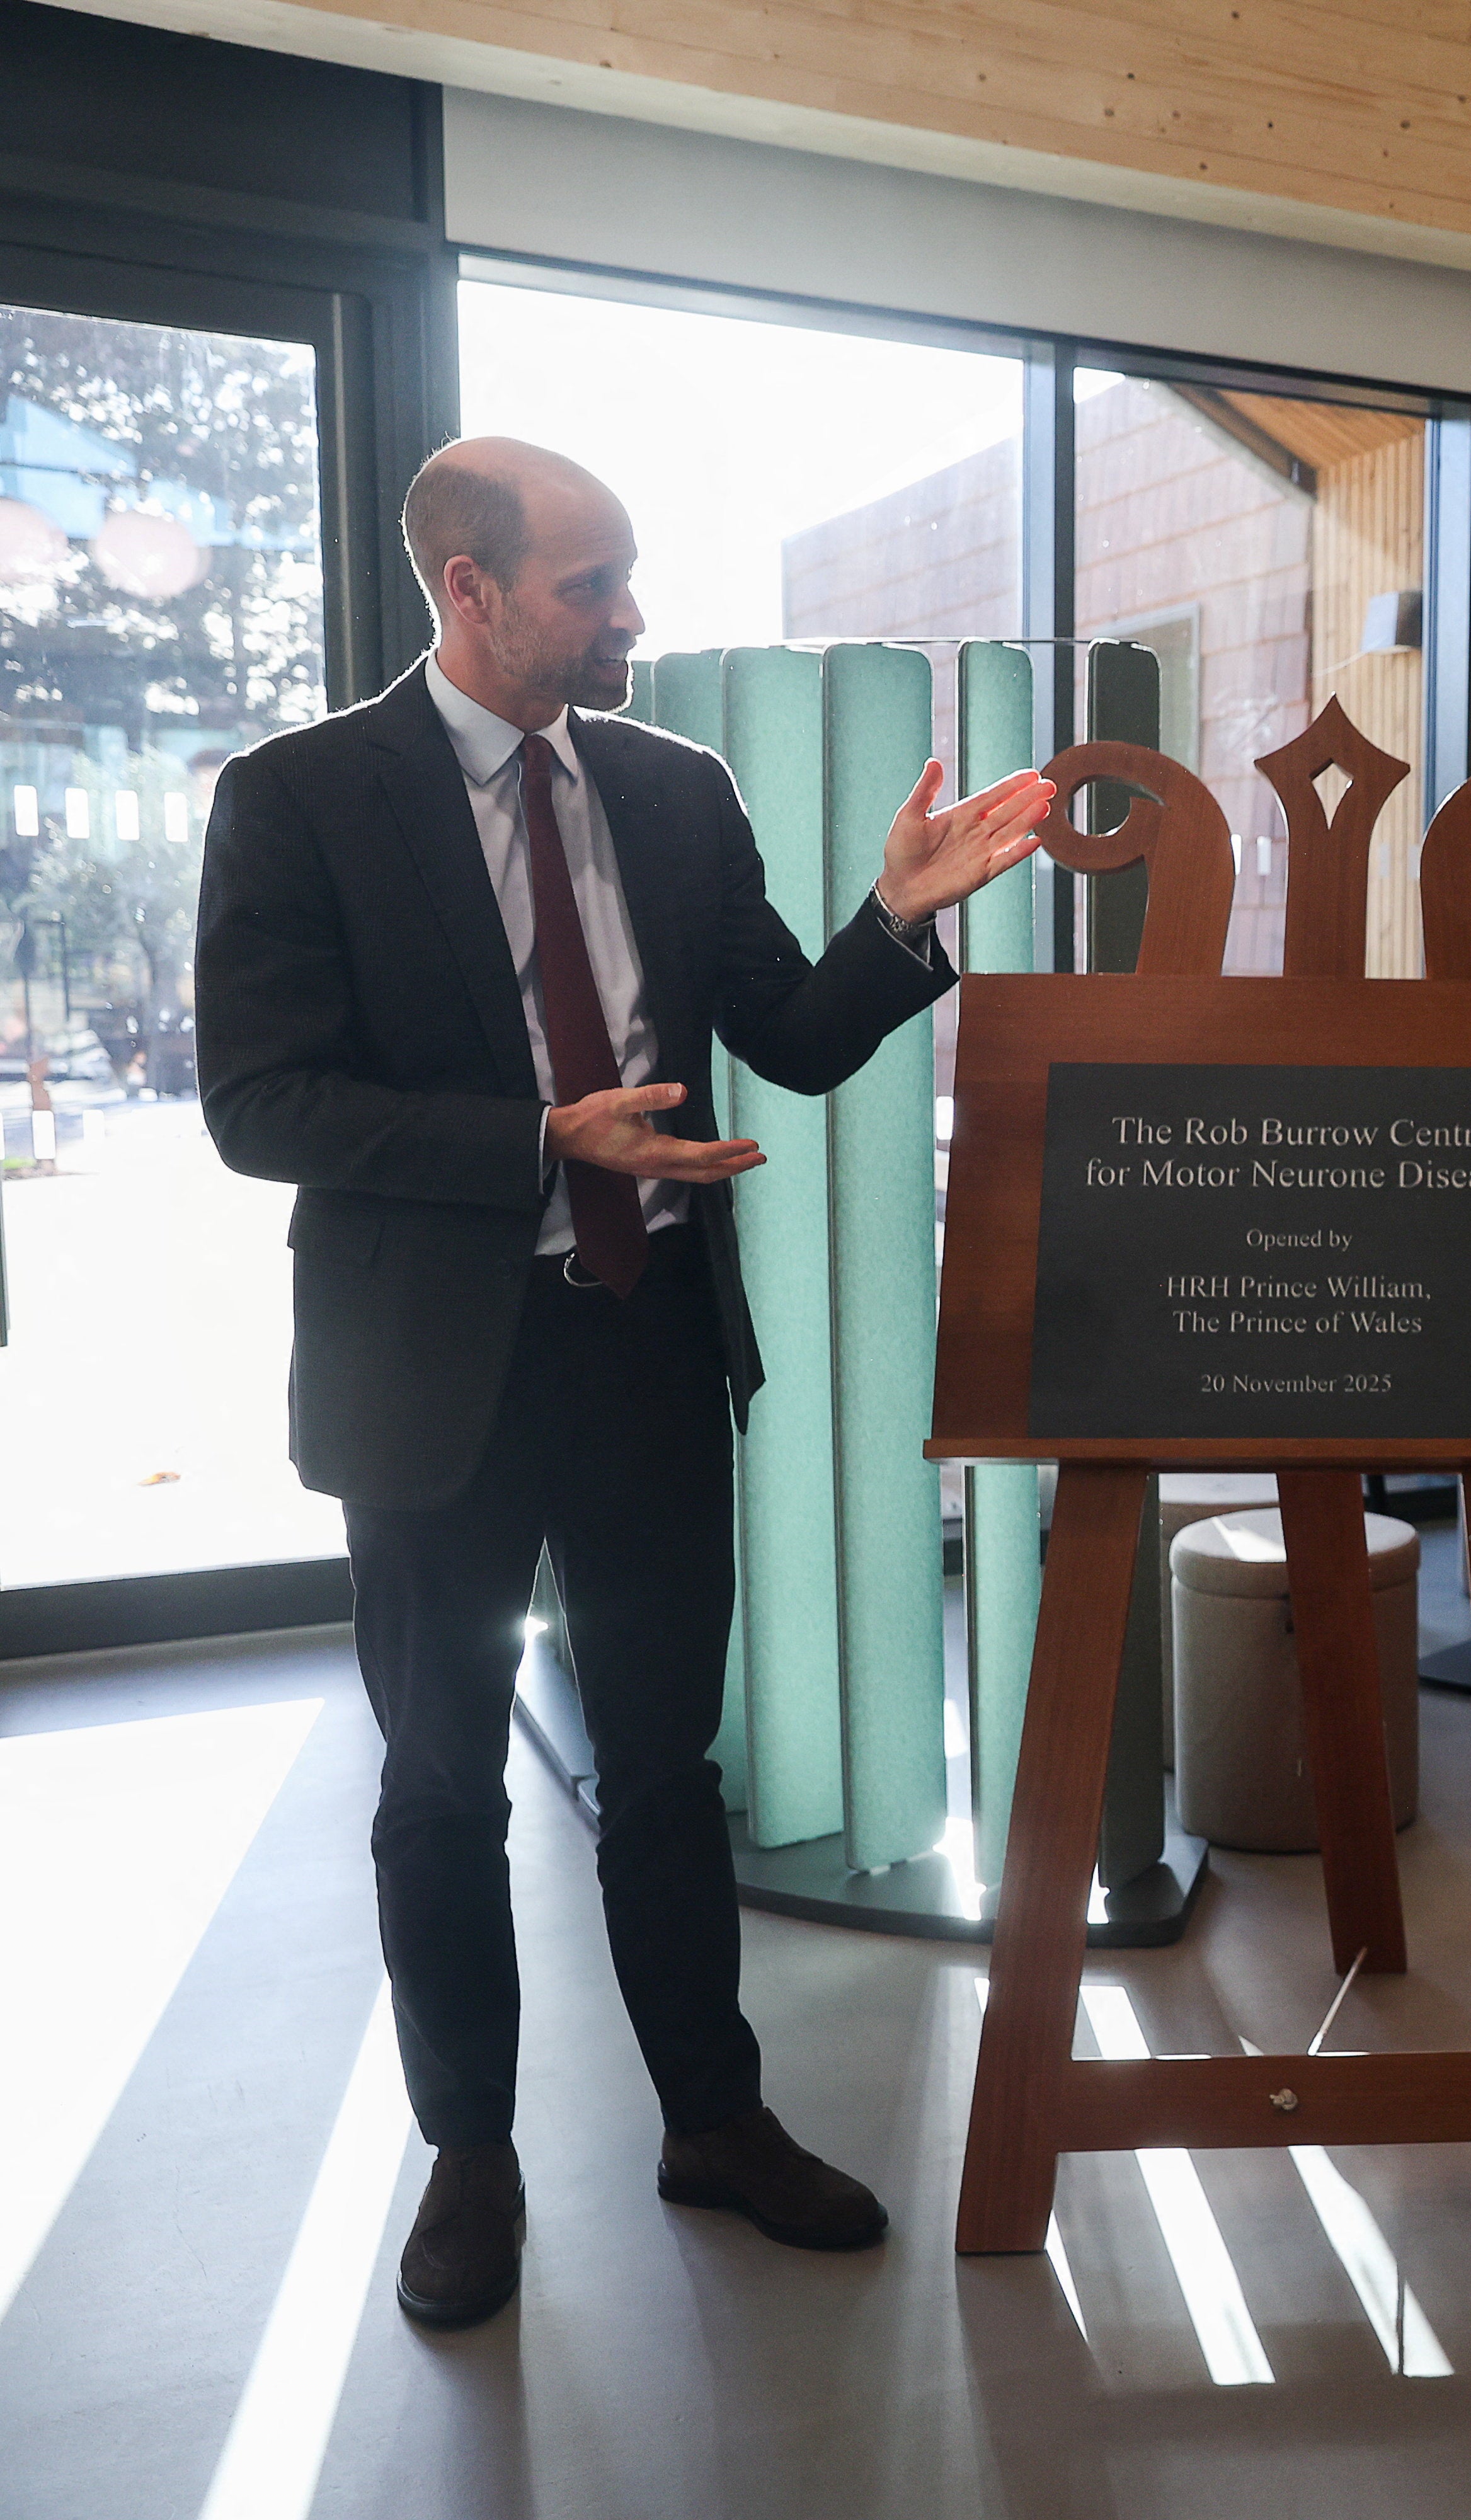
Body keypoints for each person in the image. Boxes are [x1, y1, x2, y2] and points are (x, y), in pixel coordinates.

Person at [194, 439, 1056, 2328]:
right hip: (432, 1373)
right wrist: (535, 1139)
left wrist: (898, 918)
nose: (629, 616)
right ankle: (471, 2156)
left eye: (627, 577)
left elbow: (792, 1038)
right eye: (587, 585)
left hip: (648, 1342)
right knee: (441, 1782)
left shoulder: (675, 790)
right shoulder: (299, 797)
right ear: (466, 585)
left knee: (668, 1769)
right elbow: (260, 1104)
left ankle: (712, 2119)